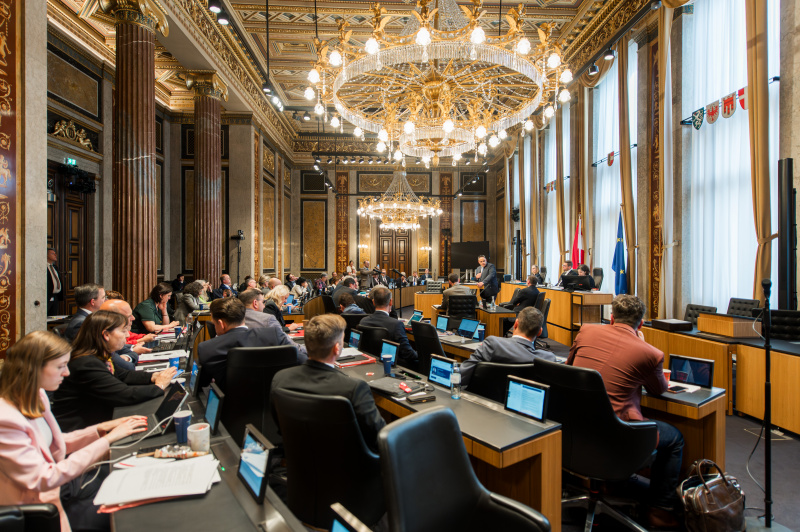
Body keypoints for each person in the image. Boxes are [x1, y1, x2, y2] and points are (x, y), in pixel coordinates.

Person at [0, 331, 148, 532]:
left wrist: (100, 429)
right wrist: (107, 441)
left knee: (126, 477)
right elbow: (45, 478)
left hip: (62, 488)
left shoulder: (37, 395)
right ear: (34, 368)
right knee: (129, 510)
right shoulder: (6, 420)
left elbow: (52, 441)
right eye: (60, 366)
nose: (67, 373)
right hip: (38, 508)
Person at [567, 294, 684, 526]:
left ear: (611, 318)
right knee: (675, 439)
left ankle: (608, 485)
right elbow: (659, 389)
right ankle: (660, 509)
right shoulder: (650, 353)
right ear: (641, 324)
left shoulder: (586, 332)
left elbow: (569, 368)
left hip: (576, 431)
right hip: (618, 437)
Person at [271, 314, 385, 452]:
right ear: (337, 348)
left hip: (298, 459)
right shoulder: (355, 388)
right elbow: (380, 437)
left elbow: (280, 426)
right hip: (348, 463)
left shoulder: (280, 379)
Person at [52, 311, 176, 432]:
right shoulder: (86, 363)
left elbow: (124, 375)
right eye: (123, 331)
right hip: (78, 431)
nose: (127, 336)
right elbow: (124, 395)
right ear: (106, 334)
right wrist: (159, 386)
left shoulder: (99, 355)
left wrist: (154, 376)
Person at [197, 298, 307, 390]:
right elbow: (303, 361)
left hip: (232, 407)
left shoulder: (207, 348)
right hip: (277, 403)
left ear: (221, 324)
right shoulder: (274, 335)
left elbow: (201, 384)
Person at [461, 307, 555, 386]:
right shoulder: (548, 359)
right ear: (539, 332)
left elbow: (461, 376)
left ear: (516, 324)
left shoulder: (492, 344)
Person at [359, 286, 418, 368]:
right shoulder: (396, 324)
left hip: (372, 363)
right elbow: (408, 354)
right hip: (395, 365)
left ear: (373, 302)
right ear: (391, 302)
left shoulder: (363, 321)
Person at [99, 298, 155, 371]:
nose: (133, 318)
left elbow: (130, 353)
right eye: (129, 316)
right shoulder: (102, 350)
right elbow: (128, 367)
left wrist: (126, 357)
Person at [46, 247, 64, 316]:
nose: (55, 255)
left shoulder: (54, 267)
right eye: (52, 254)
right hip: (48, 296)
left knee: (53, 316)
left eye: (55, 253)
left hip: (56, 296)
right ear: (46, 255)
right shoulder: (44, 267)